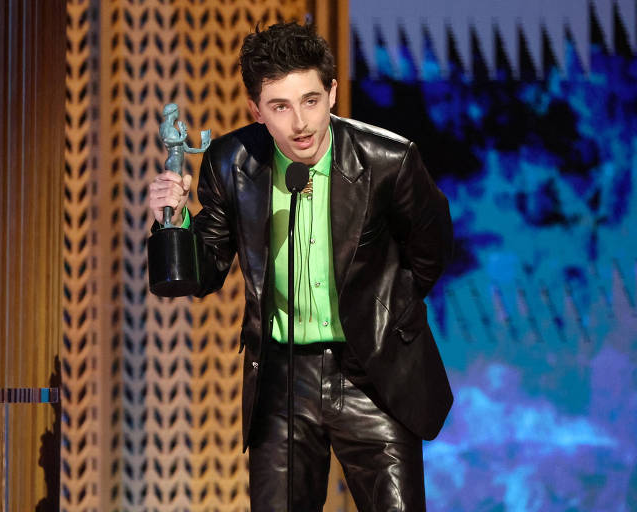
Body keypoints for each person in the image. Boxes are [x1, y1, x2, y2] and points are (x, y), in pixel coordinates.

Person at [148, 21, 453, 511]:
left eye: (311, 100)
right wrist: (174, 221)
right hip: (282, 378)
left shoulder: (388, 161)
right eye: (280, 107)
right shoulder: (232, 162)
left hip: (370, 375)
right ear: (256, 110)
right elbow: (202, 274)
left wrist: (384, 311)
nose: (300, 123)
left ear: (332, 92)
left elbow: (431, 250)